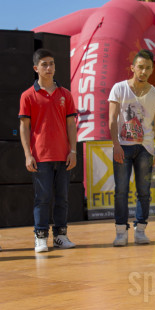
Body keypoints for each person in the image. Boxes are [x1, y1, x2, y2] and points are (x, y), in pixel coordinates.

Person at [19, 48, 77, 253]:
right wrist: (28, 154)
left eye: (51, 63)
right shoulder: (28, 95)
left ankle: (60, 236)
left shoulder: (65, 94)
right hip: (40, 156)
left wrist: (73, 151)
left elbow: (71, 125)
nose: (49, 67)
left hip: (63, 155)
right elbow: (24, 127)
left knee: (63, 198)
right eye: (44, 64)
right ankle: (40, 236)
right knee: (42, 198)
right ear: (36, 68)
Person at [108, 49, 155, 246]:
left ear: (151, 70)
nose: (144, 71)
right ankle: (120, 232)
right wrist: (115, 145)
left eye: (148, 68)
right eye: (140, 67)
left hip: (145, 148)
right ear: (133, 67)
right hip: (123, 146)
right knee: (121, 191)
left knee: (144, 191)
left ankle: (140, 229)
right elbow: (112, 120)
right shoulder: (119, 88)